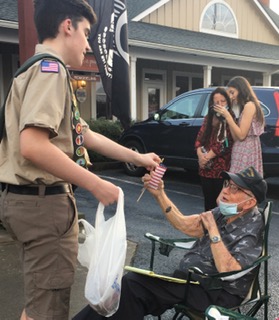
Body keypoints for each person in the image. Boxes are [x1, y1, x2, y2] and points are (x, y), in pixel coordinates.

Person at [0, 1, 161, 320]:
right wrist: (96, 183)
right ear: (67, 27)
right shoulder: (51, 69)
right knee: (48, 308)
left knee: (39, 299)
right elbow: (33, 145)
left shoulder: (36, 68)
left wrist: (137, 156)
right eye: (87, 33)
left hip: (29, 204)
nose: (89, 44)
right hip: (43, 206)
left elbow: (83, 134)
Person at [73, 166, 267, 320]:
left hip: (215, 291)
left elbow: (229, 271)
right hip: (190, 282)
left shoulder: (252, 229)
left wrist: (213, 231)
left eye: (235, 188)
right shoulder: (225, 212)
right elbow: (185, 224)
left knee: (132, 286)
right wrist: (159, 194)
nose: (226, 190)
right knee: (127, 292)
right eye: (227, 183)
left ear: (249, 202)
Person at [213, 76, 265, 176]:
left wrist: (228, 116)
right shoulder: (243, 107)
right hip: (240, 149)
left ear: (241, 90)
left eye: (232, 92)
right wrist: (229, 118)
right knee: (237, 182)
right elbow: (236, 137)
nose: (231, 96)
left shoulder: (249, 105)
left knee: (243, 183)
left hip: (247, 150)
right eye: (229, 94)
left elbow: (241, 136)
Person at [195, 87, 234, 211]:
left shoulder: (230, 116)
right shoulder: (209, 116)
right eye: (216, 102)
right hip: (206, 168)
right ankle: (208, 229)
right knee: (208, 203)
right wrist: (200, 155)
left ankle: (218, 229)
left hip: (220, 168)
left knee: (220, 204)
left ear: (228, 101)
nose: (219, 105)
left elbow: (226, 143)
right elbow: (199, 138)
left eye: (223, 101)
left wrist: (207, 157)